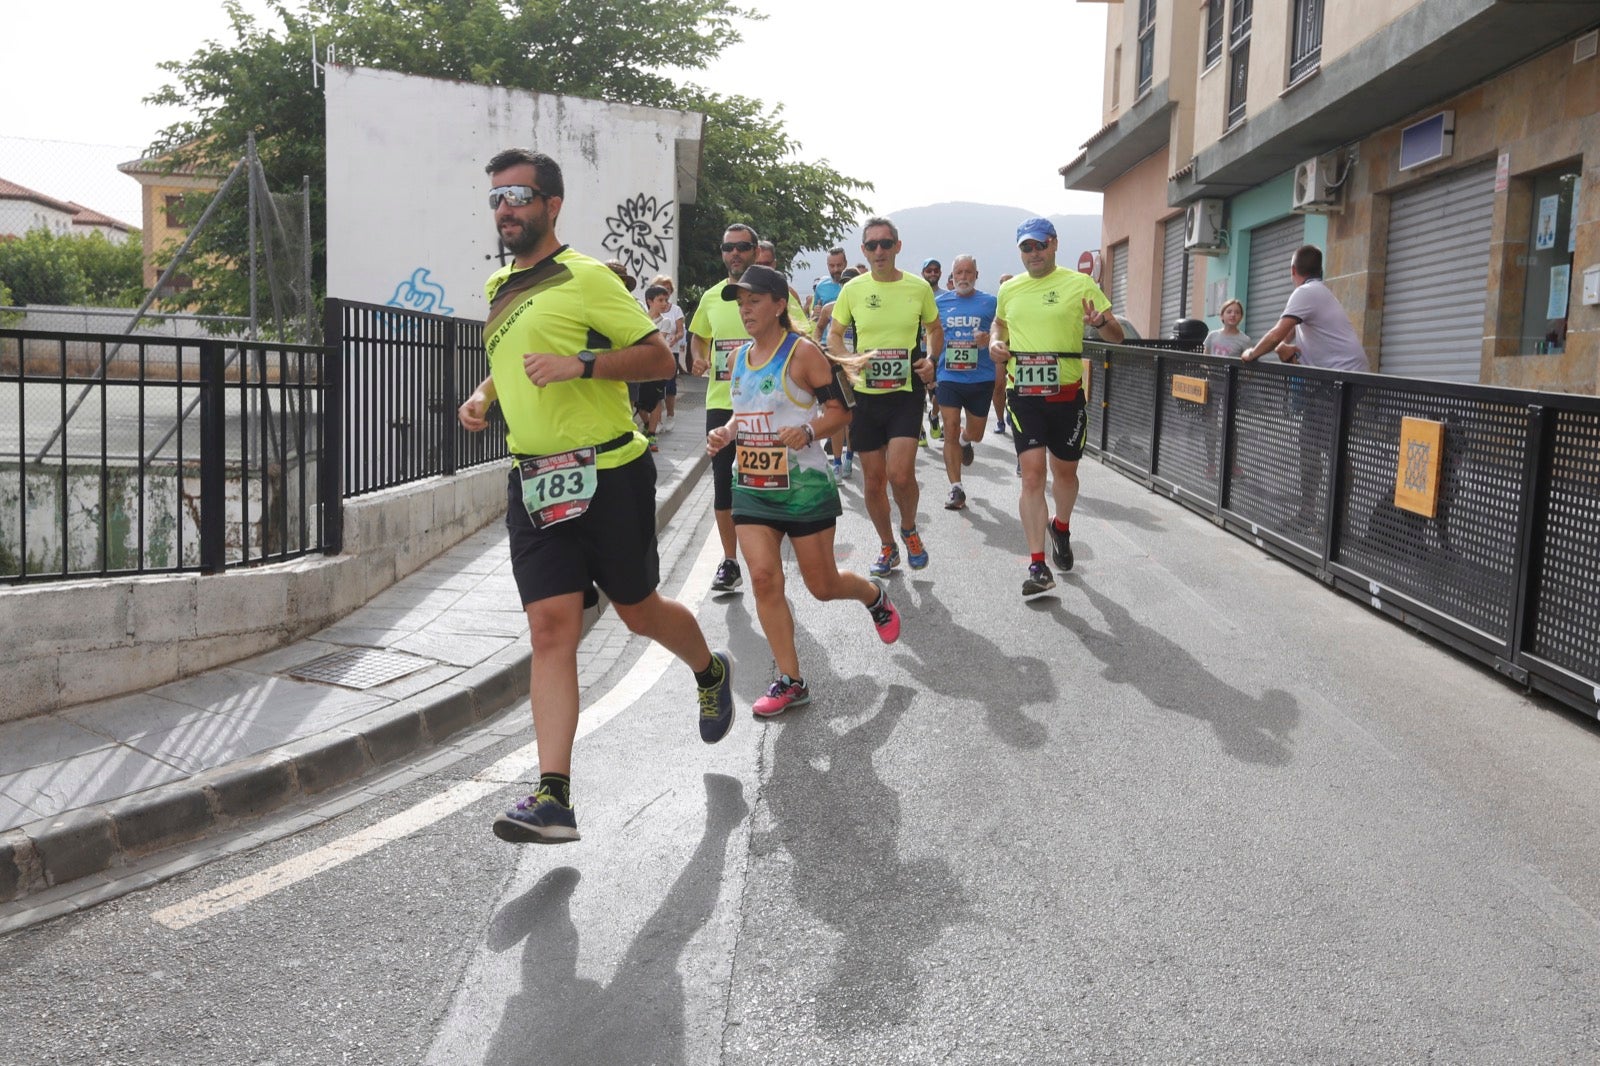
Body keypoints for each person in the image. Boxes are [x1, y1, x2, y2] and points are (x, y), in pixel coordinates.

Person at [458, 148, 734, 844]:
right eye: (496, 197)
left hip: (609, 473)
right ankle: (554, 796)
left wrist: (580, 364)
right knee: (551, 629)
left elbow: (656, 358)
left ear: (551, 205)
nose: (505, 208)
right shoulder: (498, 286)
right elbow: (517, 358)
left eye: (519, 194)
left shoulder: (587, 278)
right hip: (535, 480)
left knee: (639, 613)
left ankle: (708, 667)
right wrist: (487, 392)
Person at [706, 265, 902, 716]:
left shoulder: (803, 353)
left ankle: (873, 597)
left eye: (755, 300)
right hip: (753, 485)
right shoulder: (738, 359)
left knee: (823, 585)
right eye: (740, 302)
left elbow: (842, 412)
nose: (746, 309)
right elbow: (745, 414)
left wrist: (810, 432)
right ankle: (791, 681)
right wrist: (727, 434)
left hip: (804, 488)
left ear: (779, 305)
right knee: (762, 579)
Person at [991, 217, 1123, 598]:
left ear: (1054, 244)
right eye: (1026, 248)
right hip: (1024, 393)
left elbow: (1116, 335)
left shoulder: (1080, 284)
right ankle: (1037, 563)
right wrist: (995, 344)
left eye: (1039, 245)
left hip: (1066, 395)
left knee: (1064, 474)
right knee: (1031, 476)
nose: (1033, 254)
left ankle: (1060, 527)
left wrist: (1099, 323)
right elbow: (999, 325)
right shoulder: (1010, 290)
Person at [690, 224, 810, 595]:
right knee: (724, 486)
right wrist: (697, 358)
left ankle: (772, 546)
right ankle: (730, 561)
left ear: (757, 250)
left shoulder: (778, 295)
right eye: (728, 248)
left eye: (743, 247)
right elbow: (699, 337)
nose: (735, 253)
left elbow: (802, 334)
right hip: (723, 404)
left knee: (771, 480)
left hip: (771, 406)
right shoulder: (713, 297)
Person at [828, 217, 943, 577]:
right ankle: (887, 545)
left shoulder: (918, 288)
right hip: (865, 396)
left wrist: (931, 360)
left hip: (905, 392)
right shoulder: (853, 290)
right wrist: (847, 360)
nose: (879, 251)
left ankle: (909, 529)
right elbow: (834, 335)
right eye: (872, 245)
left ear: (897, 246)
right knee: (874, 480)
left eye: (885, 243)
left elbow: (934, 329)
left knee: (901, 475)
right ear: (864, 250)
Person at [933, 255, 997, 510]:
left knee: (977, 434)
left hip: (981, 377)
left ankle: (965, 439)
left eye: (968, 272)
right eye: (958, 272)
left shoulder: (990, 302)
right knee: (949, 427)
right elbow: (932, 334)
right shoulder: (939, 303)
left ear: (976, 275)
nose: (963, 277)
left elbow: (1003, 329)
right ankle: (955, 488)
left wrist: (989, 337)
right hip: (949, 376)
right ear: (952, 277)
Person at [1241, 245, 1369, 371]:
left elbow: (1276, 335)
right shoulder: (1318, 290)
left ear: (1293, 270)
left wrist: (1252, 354)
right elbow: (1291, 327)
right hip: (1347, 370)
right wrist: (1281, 345)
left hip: (1344, 373)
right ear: (1320, 271)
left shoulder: (1306, 291)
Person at [650, 273, 687, 430]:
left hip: (671, 352)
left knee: (670, 387)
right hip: (654, 354)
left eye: (668, 290)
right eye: (661, 290)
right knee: (655, 387)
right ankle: (655, 421)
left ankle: (670, 415)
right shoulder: (649, 309)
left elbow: (680, 331)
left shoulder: (676, 310)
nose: (665, 294)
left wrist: (675, 339)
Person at [919, 257, 944, 444]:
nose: (933, 273)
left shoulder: (946, 296)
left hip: (938, 352)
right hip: (918, 350)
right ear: (923, 273)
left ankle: (934, 416)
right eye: (929, 270)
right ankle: (919, 431)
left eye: (936, 270)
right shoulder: (916, 294)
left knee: (939, 393)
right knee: (917, 394)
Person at [992, 273, 1016, 435]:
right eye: (1001, 282)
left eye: (1007, 281)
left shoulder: (1019, 300)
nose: (1004, 284)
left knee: (1015, 385)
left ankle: (1011, 411)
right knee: (998, 385)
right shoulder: (996, 303)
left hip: (1017, 351)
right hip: (1001, 349)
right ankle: (1000, 420)